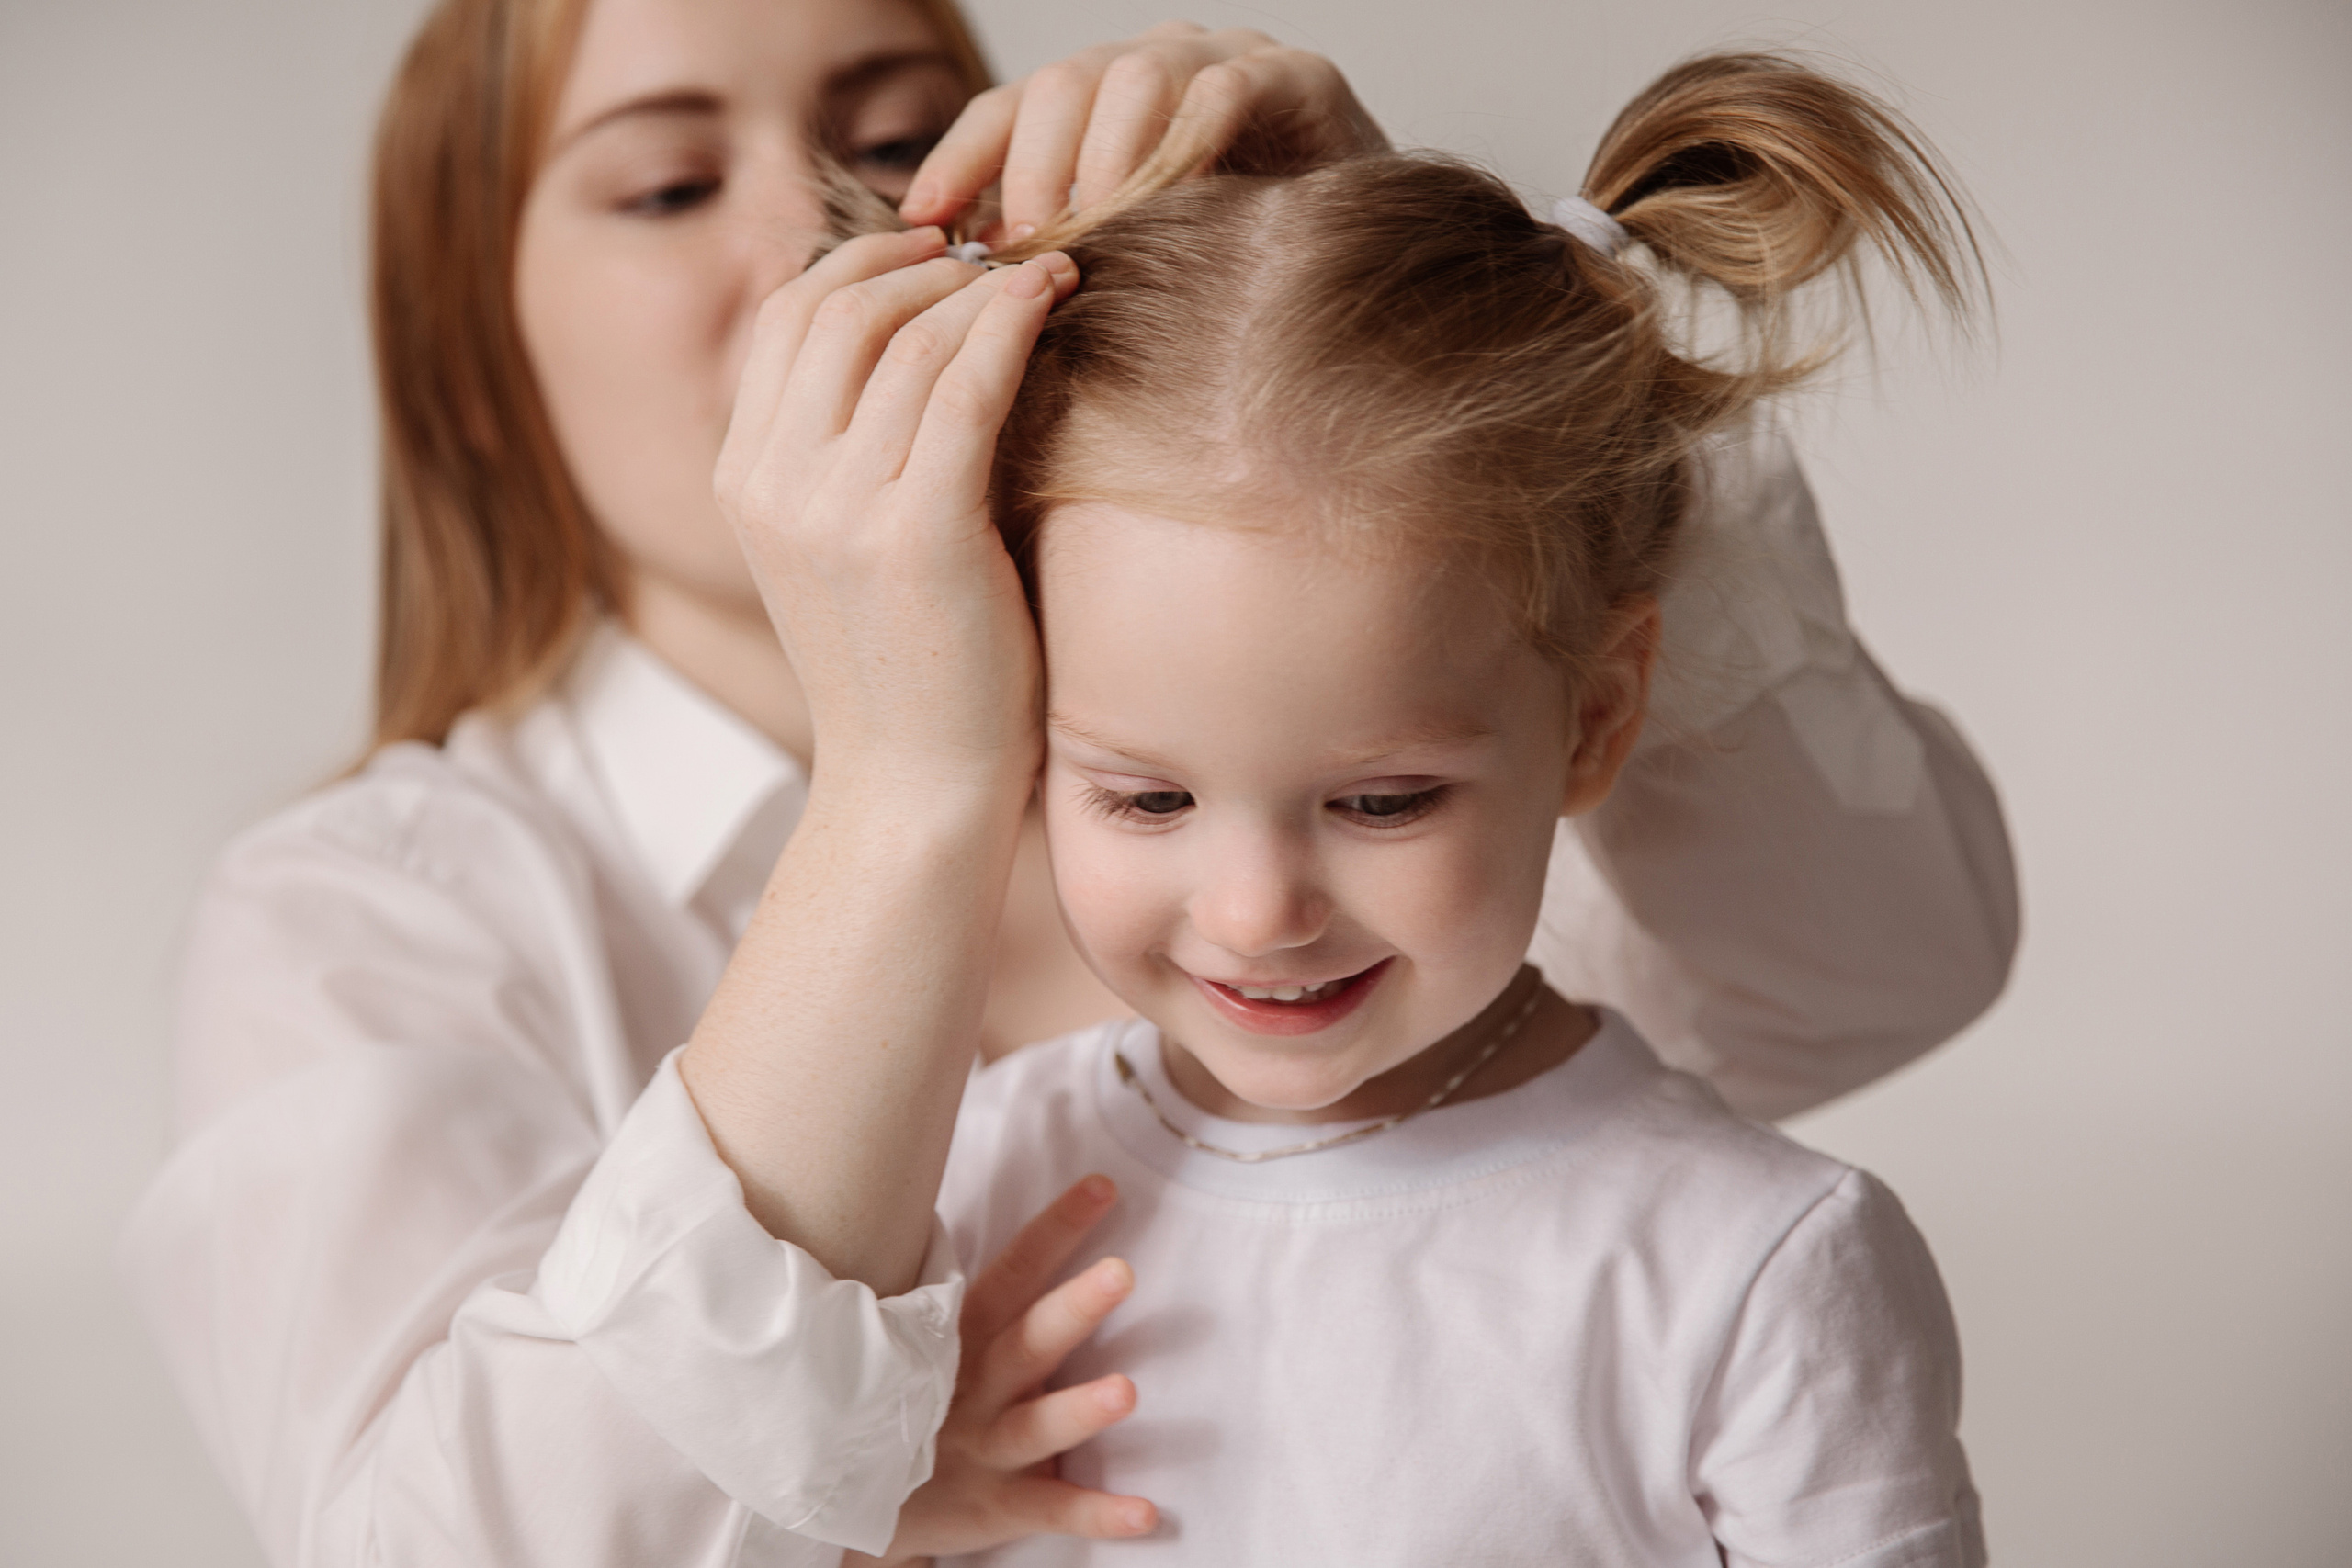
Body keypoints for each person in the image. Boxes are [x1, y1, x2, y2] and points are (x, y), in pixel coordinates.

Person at [118, 0, 2014, 1559]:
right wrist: (907, 783)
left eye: (895, 139)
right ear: (471, 363)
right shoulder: (377, 916)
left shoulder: (1391, 742)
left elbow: (1860, 970)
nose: (806, 245)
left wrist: (1429, 361)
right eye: (668, 181)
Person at [887, 51, 1988, 1563]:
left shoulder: (1748, 1265)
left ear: (1596, 718)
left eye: (1385, 800)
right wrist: (878, 1515)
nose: (1256, 909)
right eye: (1147, 797)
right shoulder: (965, 1177)